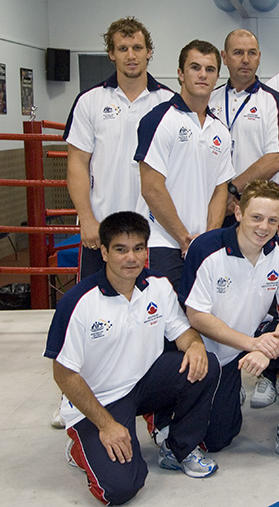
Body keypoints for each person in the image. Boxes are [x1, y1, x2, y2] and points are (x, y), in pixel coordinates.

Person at [44, 212, 221, 505]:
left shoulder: (158, 287)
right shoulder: (77, 302)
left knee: (206, 364)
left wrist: (195, 346)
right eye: (121, 249)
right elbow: (64, 374)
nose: (131, 258)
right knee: (122, 489)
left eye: (139, 248)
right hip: (98, 400)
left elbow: (184, 332)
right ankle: (80, 447)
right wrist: (106, 425)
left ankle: (178, 448)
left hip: (142, 384)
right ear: (103, 252)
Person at [179, 180, 279, 468]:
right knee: (218, 439)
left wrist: (266, 348)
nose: (264, 227)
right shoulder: (206, 248)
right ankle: (228, 391)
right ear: (238, 213)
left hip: (257, 336)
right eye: (256, 217)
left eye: (272, 220)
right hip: (213, 348)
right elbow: (196, 316)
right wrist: (251, 345)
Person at [65, 17, 173, 281]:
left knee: (154, 310)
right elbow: (77, 163)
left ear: (149, 52)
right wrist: (87, 219)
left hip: (156, 232)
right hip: (102, 226)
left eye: (137, 48)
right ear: (111, 54)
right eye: (123, 49)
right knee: (98, 308)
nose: (131, 55)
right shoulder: (89, 101)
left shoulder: (169, 103)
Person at [135, 39, 235, 291]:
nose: (203, 75)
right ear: (180, 74)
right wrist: (183, 239)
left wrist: (208, 240)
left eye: (210, 69)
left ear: (217, 76)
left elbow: (219, 190)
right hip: (163, 242)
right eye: (195, 67)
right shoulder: (158, 120)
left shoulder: (220, 131)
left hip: (200, 246)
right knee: (164, 322)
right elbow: (151, 188)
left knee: (201, 320)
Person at [208, 29, 279, 226]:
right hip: (213, 205)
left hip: (261, 207)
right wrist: (222, 197)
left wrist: (231, 190)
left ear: (259, 57)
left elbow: (276, 159)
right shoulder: (209, 100)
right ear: (225, 57)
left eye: (252, 53)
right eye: (238, 53)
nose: (246, 59)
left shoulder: (274, 100)